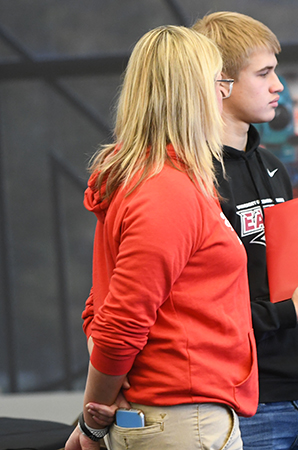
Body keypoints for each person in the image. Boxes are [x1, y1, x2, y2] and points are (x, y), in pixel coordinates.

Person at [65, 25, 257, 450]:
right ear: (190, 94)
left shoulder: (161, 182)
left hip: (178, 418)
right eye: (218, 82)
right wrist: (93, 421)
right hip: (181, 420)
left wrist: (95, 415)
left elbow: (103, 306)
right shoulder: (166, 191)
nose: (223, 95)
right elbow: (118, 322)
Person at [192, 11, 298, 450]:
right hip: (246, 403)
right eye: (265, 73)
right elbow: (203, 307)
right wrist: (292, 311)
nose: (279, 86)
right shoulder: (192, 180)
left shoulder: (274, 168)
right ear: (221, 82)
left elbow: (292, 277)